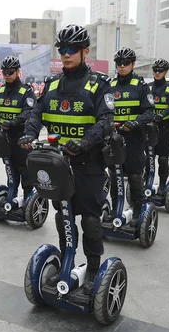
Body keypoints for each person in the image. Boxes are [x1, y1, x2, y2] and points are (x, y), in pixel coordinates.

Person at [19, 24, 113, 294]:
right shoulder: (51, 84)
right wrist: (29, 134)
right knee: (63, 215)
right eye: (62, 49)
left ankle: (94, 267)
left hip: (88, 163)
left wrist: (84, 142)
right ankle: (66, 261)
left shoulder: (99, 84)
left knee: (91, 220)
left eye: (72, 49)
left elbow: (107, 122)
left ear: (86, 51)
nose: (66, 54)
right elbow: (36, 114)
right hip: (59, 163)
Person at [0, 55, 36, 199]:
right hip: (5, 138)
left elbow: (29, 112)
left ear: (18, 71)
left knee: (24, 170)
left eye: (10, 72)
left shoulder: (26, 92)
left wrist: (14, 122)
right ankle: (11, 197)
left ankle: (28, 199)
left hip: (22, 138)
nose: (7, 75)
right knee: (10, 169)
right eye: (5, 72)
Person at [108, 47, 154, 225]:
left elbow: (149, 112)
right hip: (114, 138)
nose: (122, 66)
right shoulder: (110, 85)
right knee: (114, 175)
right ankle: (115, 209)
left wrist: (136, 123)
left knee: (134, 175)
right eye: (119, 63)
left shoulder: (141, 86)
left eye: (126, 63)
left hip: (134, 138)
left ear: (133, 64)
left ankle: (138, 211)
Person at [147, 58, 169, 195]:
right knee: (148, 157)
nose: (157, 73)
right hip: (149, 128)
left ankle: (162, 184)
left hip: (164, 127)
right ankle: (147, 183)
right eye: (155, 70)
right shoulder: (147, 87)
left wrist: (162, 115)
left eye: (160, 70)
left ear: (165, 71)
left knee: (162, 158)